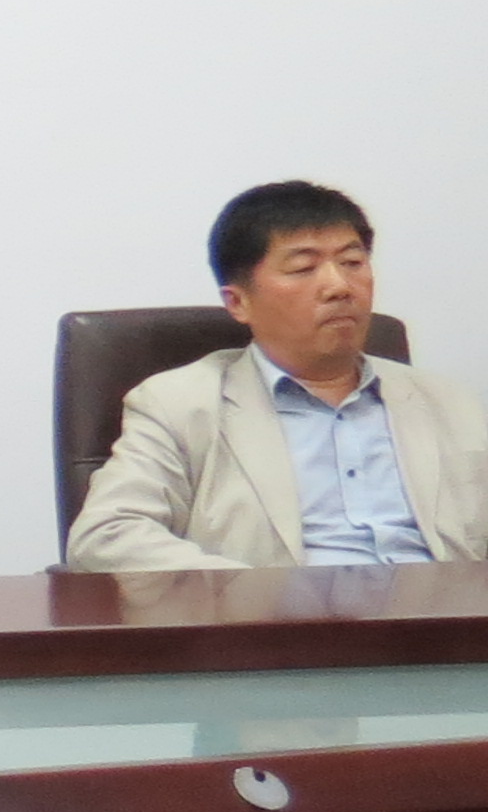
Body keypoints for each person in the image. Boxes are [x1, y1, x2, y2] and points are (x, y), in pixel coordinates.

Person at [70, 182, 488, 571]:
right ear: (238, 303)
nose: (340, 286)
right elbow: (107, 535)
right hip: (276, 620)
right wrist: (257, 598)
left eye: (352, 262)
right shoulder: (180, 405)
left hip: (443, 616)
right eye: (304, 268)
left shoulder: (449, 403)